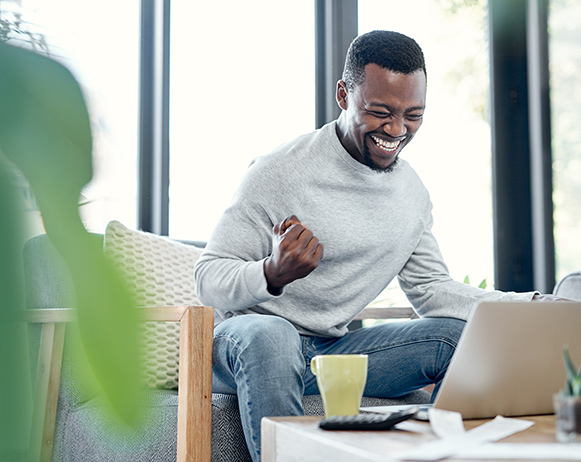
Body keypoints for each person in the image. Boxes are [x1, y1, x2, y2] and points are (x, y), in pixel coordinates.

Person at [194, 30, 542, 462]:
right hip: (248, 346)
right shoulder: (279, 171)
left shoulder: (411, 194)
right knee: (273, 334)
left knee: (454, 338)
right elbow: (207, 277)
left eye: (413, 115)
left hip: (330, 354)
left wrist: (530, 304)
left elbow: (431, 289)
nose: (397, 130)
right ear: (343, 94)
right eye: (380, 112)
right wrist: (272, 272)